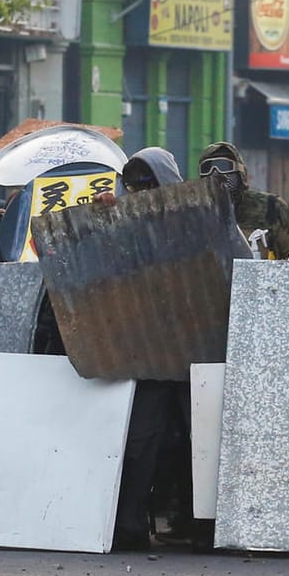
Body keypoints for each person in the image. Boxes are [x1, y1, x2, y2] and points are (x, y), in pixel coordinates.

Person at [109, 148, 195, 551]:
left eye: (149, 181)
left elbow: (235, 266)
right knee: (140, 441)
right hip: (152, 350)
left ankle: (205, 527)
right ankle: (129, 524)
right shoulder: (125, 221)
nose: (142, 191)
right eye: (134, 183)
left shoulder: (198, 217)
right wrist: (101, 220)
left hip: (198, 348)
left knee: (201, 442)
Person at [198, 142, 289, 259]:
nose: (215, 173)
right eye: (207, 168)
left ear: (240, 173)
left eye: (224, 166)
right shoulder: (196, 216)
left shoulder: (269, 208)